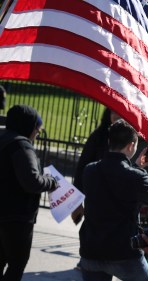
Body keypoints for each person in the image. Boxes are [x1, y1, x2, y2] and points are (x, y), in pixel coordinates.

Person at [78, 119, 148, 281]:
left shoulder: (90, 170)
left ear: (110, 141)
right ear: (132, 145)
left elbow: (114, 183)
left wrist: (136, 168)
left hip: (92, 250)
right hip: (124, 252)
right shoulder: (135, 176)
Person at [0, 104, 58, 280]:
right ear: (28, 126)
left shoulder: (3, 139)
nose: (37, 133)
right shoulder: (22, 146)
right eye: (36, 129)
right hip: (17, 217)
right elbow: (32, 181)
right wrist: (51, 182)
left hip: (3, 212)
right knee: (17, 263)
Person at [71, 108, 121, 224]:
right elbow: (81, 168)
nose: (117, 115)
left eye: (121, 112)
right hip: (97, 200)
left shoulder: (135, 139)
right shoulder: (98, 136)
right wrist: (76, 203)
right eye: (114, 111)